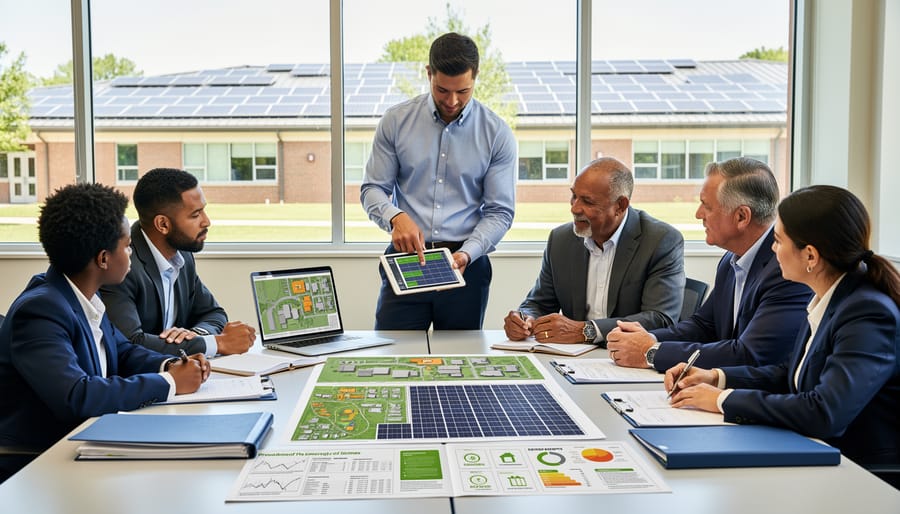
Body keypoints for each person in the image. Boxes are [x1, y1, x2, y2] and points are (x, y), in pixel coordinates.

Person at [665, 185, 900, 485]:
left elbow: (824, 411)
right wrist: (717, 377)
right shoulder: (831, 297)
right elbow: (789, 374)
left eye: (777, 240)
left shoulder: (867, 313)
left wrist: (723, 399)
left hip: (860, 474)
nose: (773, 250)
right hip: (814, 452)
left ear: (810, 256)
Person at [0, 183, 209, 482]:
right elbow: (76, 395)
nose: (132, 251)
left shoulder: (83, 296)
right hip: (41, 462)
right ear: (103, 259)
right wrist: (168, 382)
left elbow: (123, 351)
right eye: (127, 245)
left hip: (88, 442)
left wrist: (169, 365)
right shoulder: (41, 311)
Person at [360, 32, 516, 330]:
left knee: (460, 362)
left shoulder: (497, 133)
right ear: (429, 73)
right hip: (407, 260)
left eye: (463, 91)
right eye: (442, 90)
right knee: (394, 355)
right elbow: (373, 189)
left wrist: (468, 253)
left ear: (476, 77)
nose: (453, 101)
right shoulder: (396, 122)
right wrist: (396, 217)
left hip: (467, 266)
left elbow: (500, 212)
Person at [606, 157, 812, 371]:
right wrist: (646, 337)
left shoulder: (786, 270)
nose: (698, 214)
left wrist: (652, 352)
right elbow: (705, 326)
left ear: (742, 216)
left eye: (707, 206)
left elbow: (750, 355)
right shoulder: (730, 260)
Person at [503, 157, 685, 345]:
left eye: (587, 201)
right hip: (572, 359)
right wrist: (524, 319)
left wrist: (586, 331)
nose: (574, 208)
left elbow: (660, 318)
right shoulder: (560, 240)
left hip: (631, 360)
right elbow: (539, 303)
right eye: (574, 196)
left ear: (620, 206)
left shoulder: (660, 240)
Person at [100, 168, 255, 357]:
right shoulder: (122, 265)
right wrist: (216, 343)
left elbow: (213, 314)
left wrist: (195, 335)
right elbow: (130, 343)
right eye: (196, 214)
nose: (207, 222)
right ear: (163, 224)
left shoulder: (182, 255)